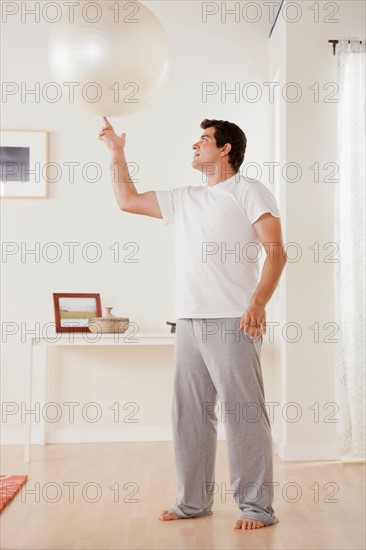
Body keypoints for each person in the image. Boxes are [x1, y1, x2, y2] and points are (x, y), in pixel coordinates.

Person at [99, 116, 287, 530]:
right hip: (188, 320)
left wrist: (258, 303)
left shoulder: (248, 191)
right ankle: (193, 501)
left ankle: (257, 507)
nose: (194, 145)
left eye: (203, 140)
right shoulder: (185, 198)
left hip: (233, 319)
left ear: (226, 149)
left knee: (243, 413)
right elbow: (127, 200)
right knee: (190, 413)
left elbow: (276, 252)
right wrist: (116, 152)